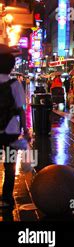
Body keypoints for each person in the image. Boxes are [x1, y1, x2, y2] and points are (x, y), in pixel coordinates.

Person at [0, 45, 30, 208]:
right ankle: (6, 198)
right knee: (9, 165)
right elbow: (20, 109)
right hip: (11, 131)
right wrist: (25, 129)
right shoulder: (14, 84)